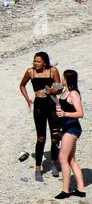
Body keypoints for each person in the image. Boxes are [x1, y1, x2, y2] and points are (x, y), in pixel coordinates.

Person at [20, 51, 63, 180]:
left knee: (55, 136)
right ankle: (38, 168)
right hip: (39, 105)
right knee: (41, 138)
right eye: (34, 61)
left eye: (38, 61)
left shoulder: (53, 71)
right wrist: (27, 99)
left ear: (44, 62)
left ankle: (54, 163)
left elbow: (60, 89)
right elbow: (22, 85)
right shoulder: (30, 72)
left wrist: (53, 90)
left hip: (52, 104)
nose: (35, 63)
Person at [54, 69, 86, 199]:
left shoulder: (73, 94)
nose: (61, 80)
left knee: (62, 158)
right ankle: (80, 189)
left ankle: (65, 191)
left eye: (63, 78)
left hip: (72, 128)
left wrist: (64, 114)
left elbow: (80, 113)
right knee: (71, 159)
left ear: (67, 79)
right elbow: (65, 107)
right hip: (66, 127)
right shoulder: (64, 92)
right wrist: (59, 109)